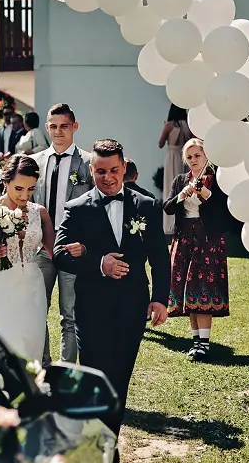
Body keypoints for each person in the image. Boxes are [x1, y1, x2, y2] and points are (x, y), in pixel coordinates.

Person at [52, 138, 170, 438]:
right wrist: (97, 263)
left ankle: (110, 443)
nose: (108, 177)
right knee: (96, 379)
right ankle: (100, 446)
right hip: (91, 310)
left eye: (114, 170)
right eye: (101, 171)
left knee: (119, 379)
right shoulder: (77, 208)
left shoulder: (147, 205)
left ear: (124, 168)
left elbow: (159, 257)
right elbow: (60, 253)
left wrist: (159, 299)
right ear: (92, 170)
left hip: (132, 308)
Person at [0, 155, 55, 361]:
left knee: (32, 349)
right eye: (19, 188)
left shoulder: (40, 213)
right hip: (2, 290)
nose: (25, 195)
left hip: (33, 290)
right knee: (6, 350)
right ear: (5, 182)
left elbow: (56, 254)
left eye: (31, 189)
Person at [31, 103, 94, 364]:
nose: (58, 131)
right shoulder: (35, 162)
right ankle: (44, 367)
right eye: (53, 126)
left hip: (72, 248)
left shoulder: (88, 162)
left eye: (64, 126)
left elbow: (94, 207)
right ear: (47, 128)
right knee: (36, 311)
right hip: (40, 248)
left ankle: (67, 370)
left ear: (74, 127)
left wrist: (87, 244)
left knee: (70, 314)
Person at [163, 139, 230, 361]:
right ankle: (195, 341)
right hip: (184, 239)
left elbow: (222, 212)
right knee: (188, 290)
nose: (193, 160)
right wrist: (182, 195)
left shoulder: (216, 180)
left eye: (197, 156)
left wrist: (205, 194)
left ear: (205, 156)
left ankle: (204, 343)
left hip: (207, 240)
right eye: (189, 157)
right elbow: (168, 207)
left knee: (202, 288)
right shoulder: (181, 180)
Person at [158, 104, 193, 236]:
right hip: (184, 157)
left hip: (172, 155)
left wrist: (165, 128)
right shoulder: (186, 126)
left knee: (170, 189)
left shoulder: (169, 125)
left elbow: (160, 143)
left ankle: (169, 225)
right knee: (184, 187)